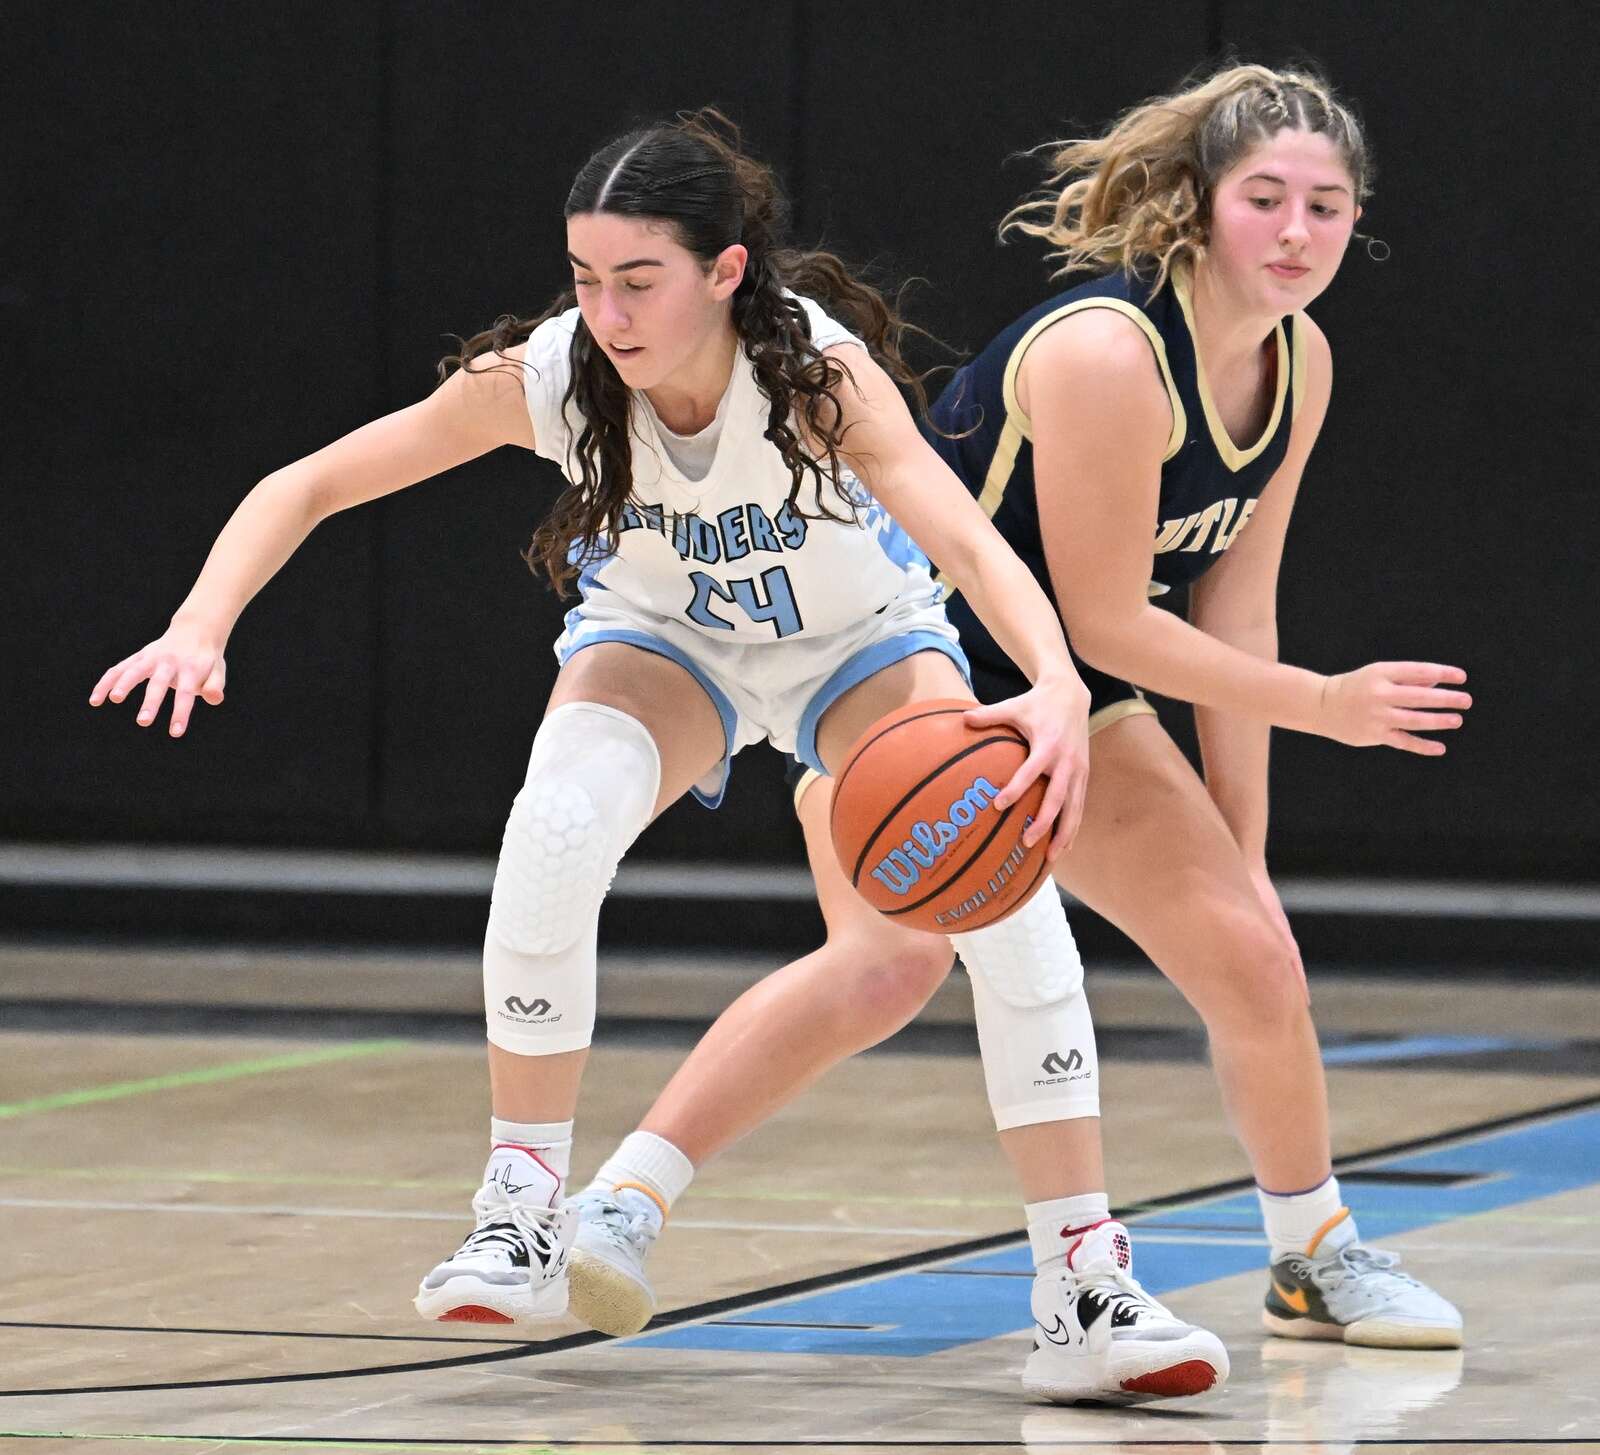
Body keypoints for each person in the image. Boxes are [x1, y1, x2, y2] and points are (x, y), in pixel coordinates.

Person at [87, 111, 1228, 1404]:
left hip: (856, 643)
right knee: (555, 825)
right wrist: (200, 622)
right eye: (585, 279)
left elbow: (965, 543)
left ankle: (1079, 1277)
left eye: (639, 280)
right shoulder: (554, 374)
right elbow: (307, 483)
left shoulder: (816, 378)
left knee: (1012, 908)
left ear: (726, 271)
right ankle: (520, 1209)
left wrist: (1061, 684)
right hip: (665, 638)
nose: (608, 311)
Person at [571, 67, 1470, 1354]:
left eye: (1325, 207)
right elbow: (1106, 620)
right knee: (888, 963)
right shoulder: (1108, 351)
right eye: (1263, 198)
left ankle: (1310, 1258)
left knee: (1256, 960)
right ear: (1196, 207)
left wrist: (1246, 846)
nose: (1294, 233)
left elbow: (1232, 611)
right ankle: (616, 1209)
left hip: (1072, 683)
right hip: (906, 656)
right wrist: (1327, 705)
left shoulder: (1298, 360)